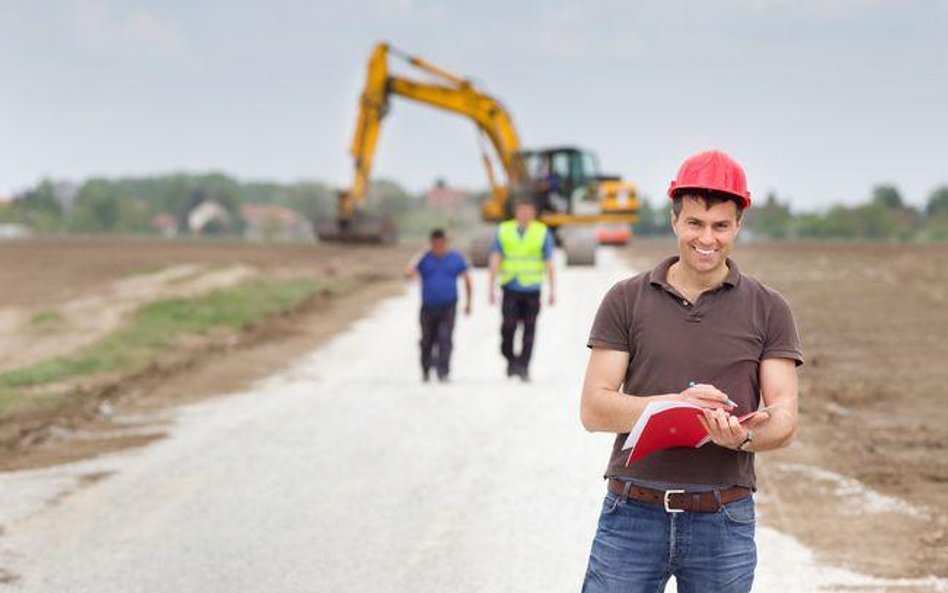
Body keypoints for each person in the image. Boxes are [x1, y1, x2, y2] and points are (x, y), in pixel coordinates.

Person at [578, 149, 803, 593]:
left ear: (738, 225)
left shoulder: (769, 308)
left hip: (723, 519)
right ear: (675, 221)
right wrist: (671, 406)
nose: (707, 238)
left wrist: (743, 437)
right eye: (695, 223)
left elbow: (785, 417)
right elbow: (594, 409)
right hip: (632, 513)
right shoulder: (626, 299)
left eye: (721, 226)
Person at [487, 198, 556, 382]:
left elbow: (549, 261)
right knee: (508, 327)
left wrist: (552, 289)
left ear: (533, 213)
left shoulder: (542, 232)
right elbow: (495, 257)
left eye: (528, 210)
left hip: (532, 289)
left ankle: (524, 367)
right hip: (510, 286)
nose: (525, 214)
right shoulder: (504, 230)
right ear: (516, 212)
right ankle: (510, 359)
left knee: (529, 331)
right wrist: (490, 286)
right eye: (522, 210)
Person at [406, 228, 472, 383]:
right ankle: (426, 369)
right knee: (427, 339)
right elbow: (409, 274)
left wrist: (469, 303)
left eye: (441, 243)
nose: (439, 247)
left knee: (445, 338)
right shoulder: (424, 259)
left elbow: (467, 279)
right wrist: (419, 254)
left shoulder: (455, 258)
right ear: (431, 243)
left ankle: (443, 371)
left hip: (448, 306)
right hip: (428, 306)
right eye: (435, 244)